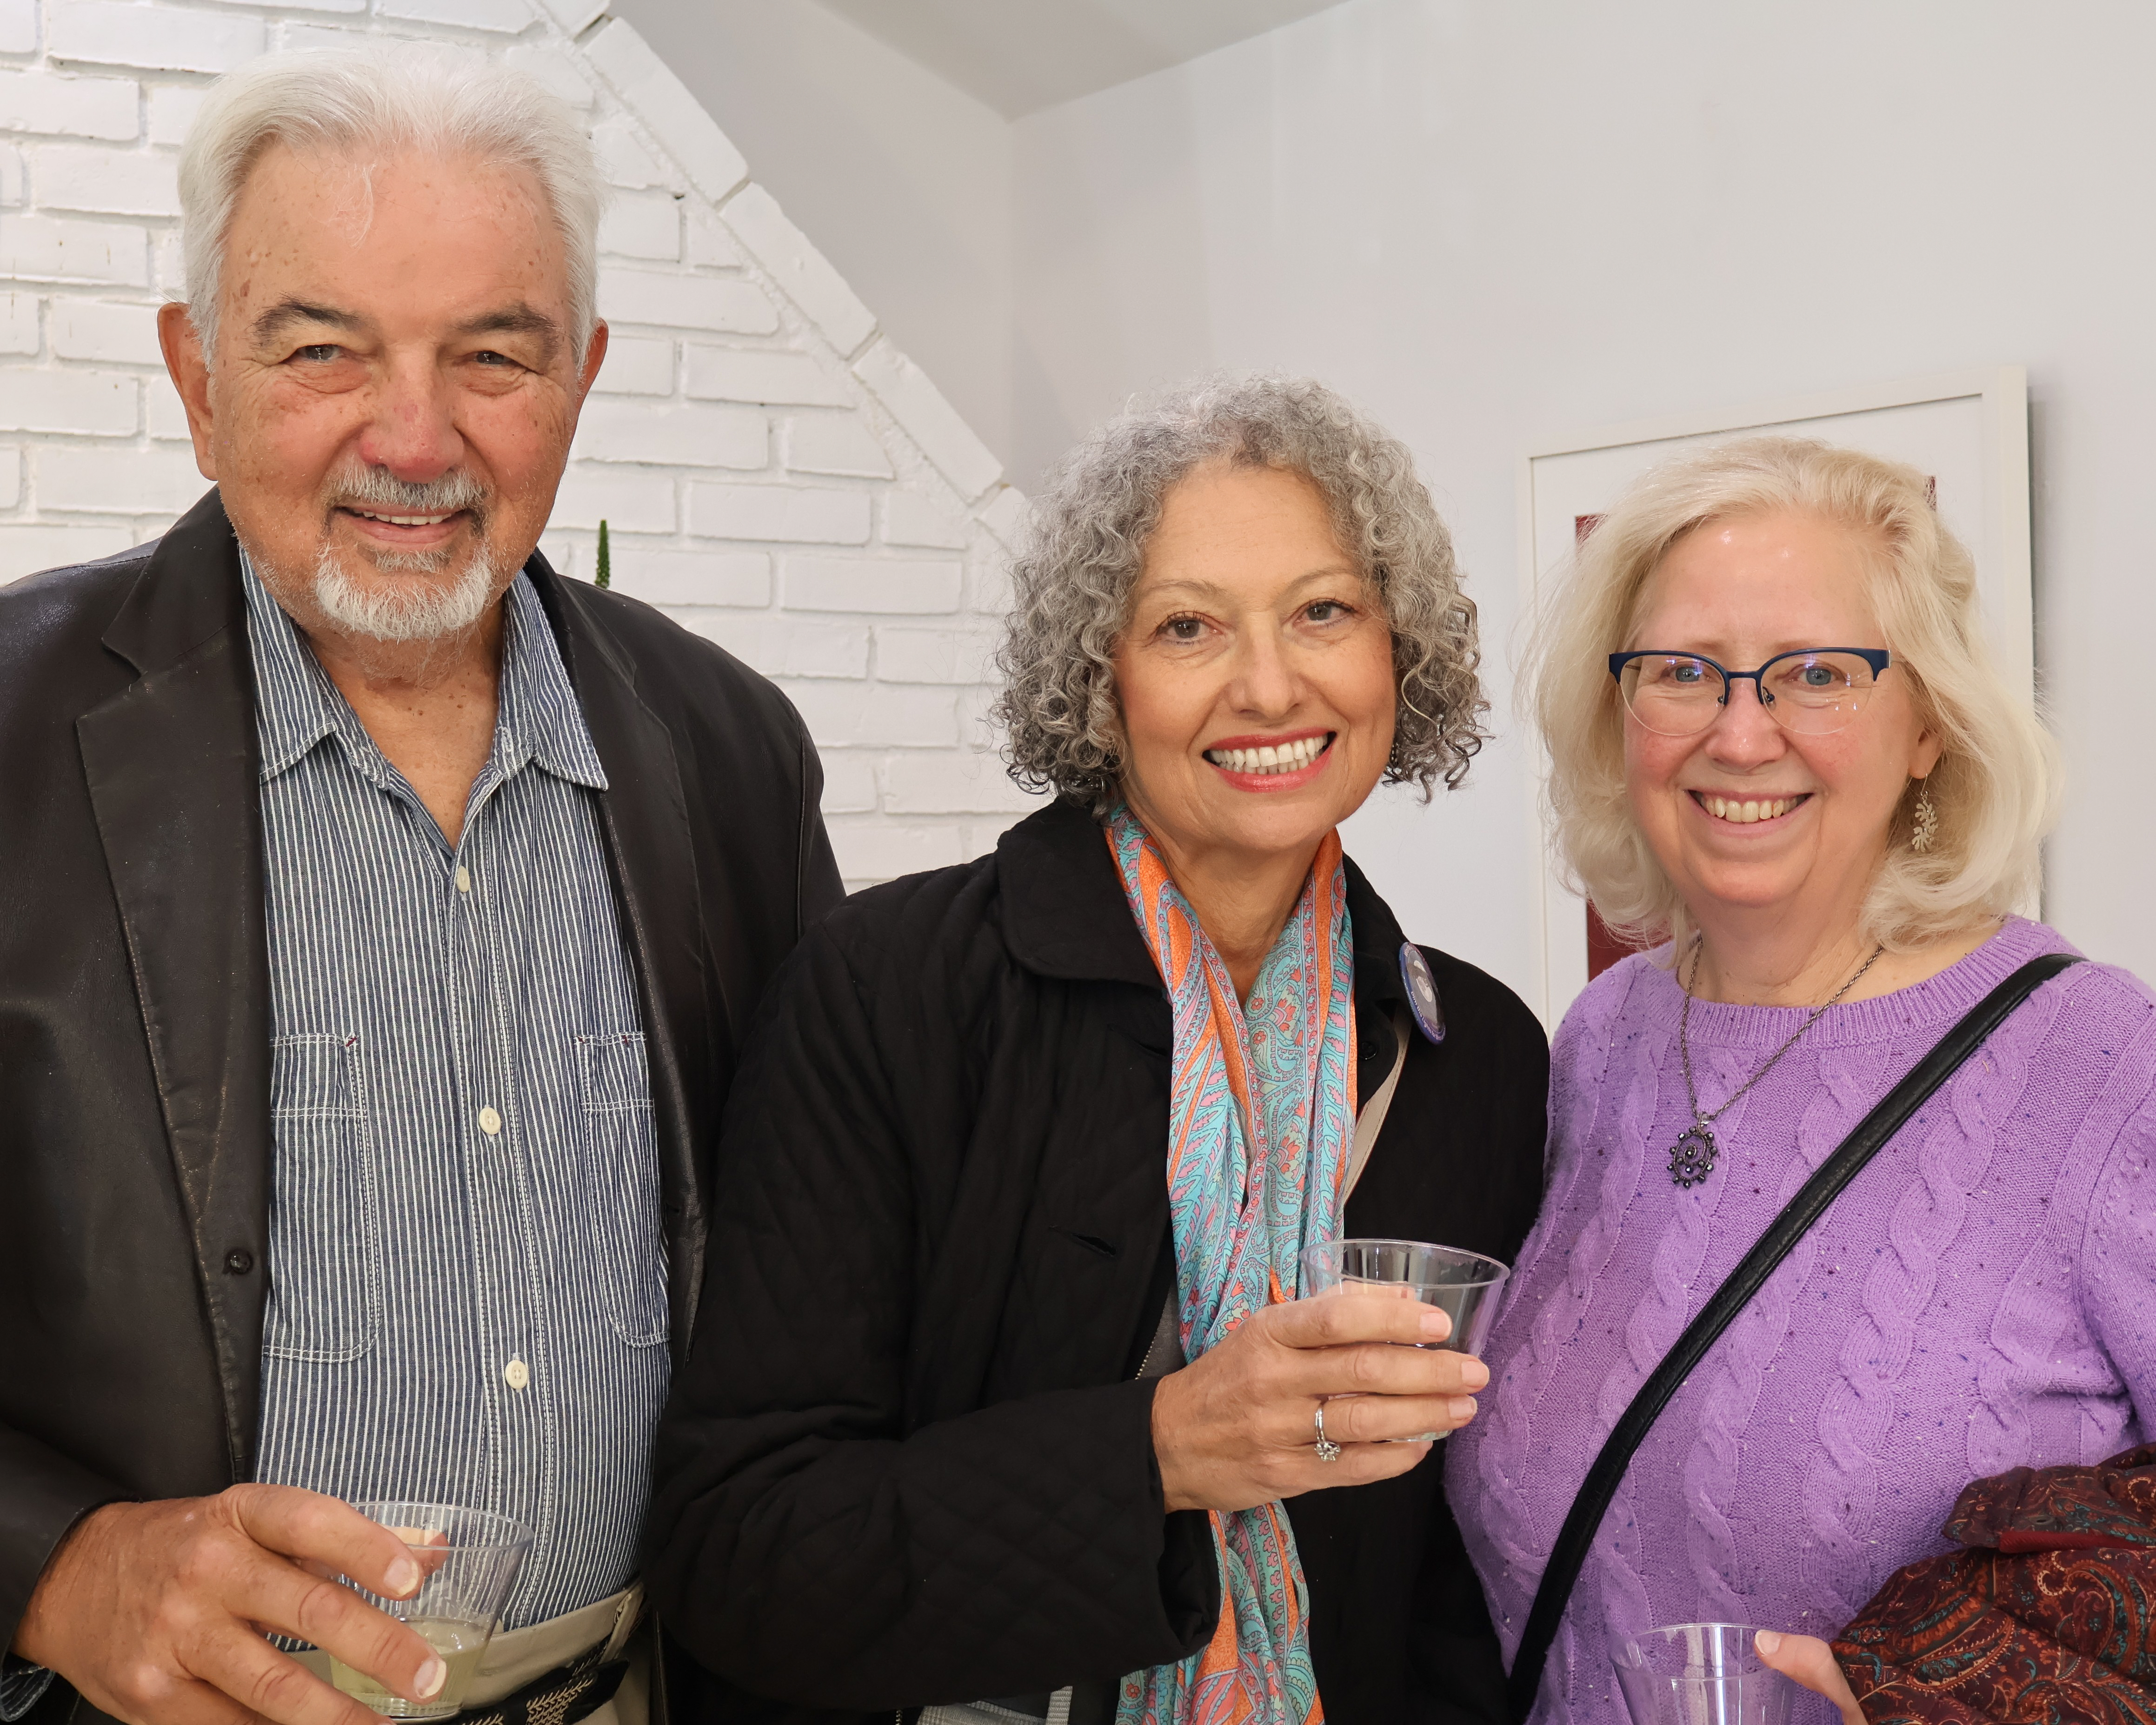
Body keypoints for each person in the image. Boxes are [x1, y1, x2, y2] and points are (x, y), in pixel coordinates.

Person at [0, 48, 841, 1725]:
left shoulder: (730, 751)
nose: (411, 436)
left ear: (580, 378)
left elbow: (823, 1274)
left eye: (492, 356)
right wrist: (47, 1561)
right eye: (320, 350)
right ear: (199, 373)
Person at [643, 376, 1551, 1725]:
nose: (1267, 684)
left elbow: (1440, 1575)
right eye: (1187, 626)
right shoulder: (888, 991)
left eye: (1323, 612)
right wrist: (1164, 1451)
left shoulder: (1470, 1047)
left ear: (1395, 652)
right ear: (1101, 674)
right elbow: (743, 1554)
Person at [1447, 436, 2156, 1725]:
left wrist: (1972, 1686)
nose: (1739, 730)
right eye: (1678, 673)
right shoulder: (1594, 1042)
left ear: (1930, 723)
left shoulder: (2103, 1062)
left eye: (1818, 673)